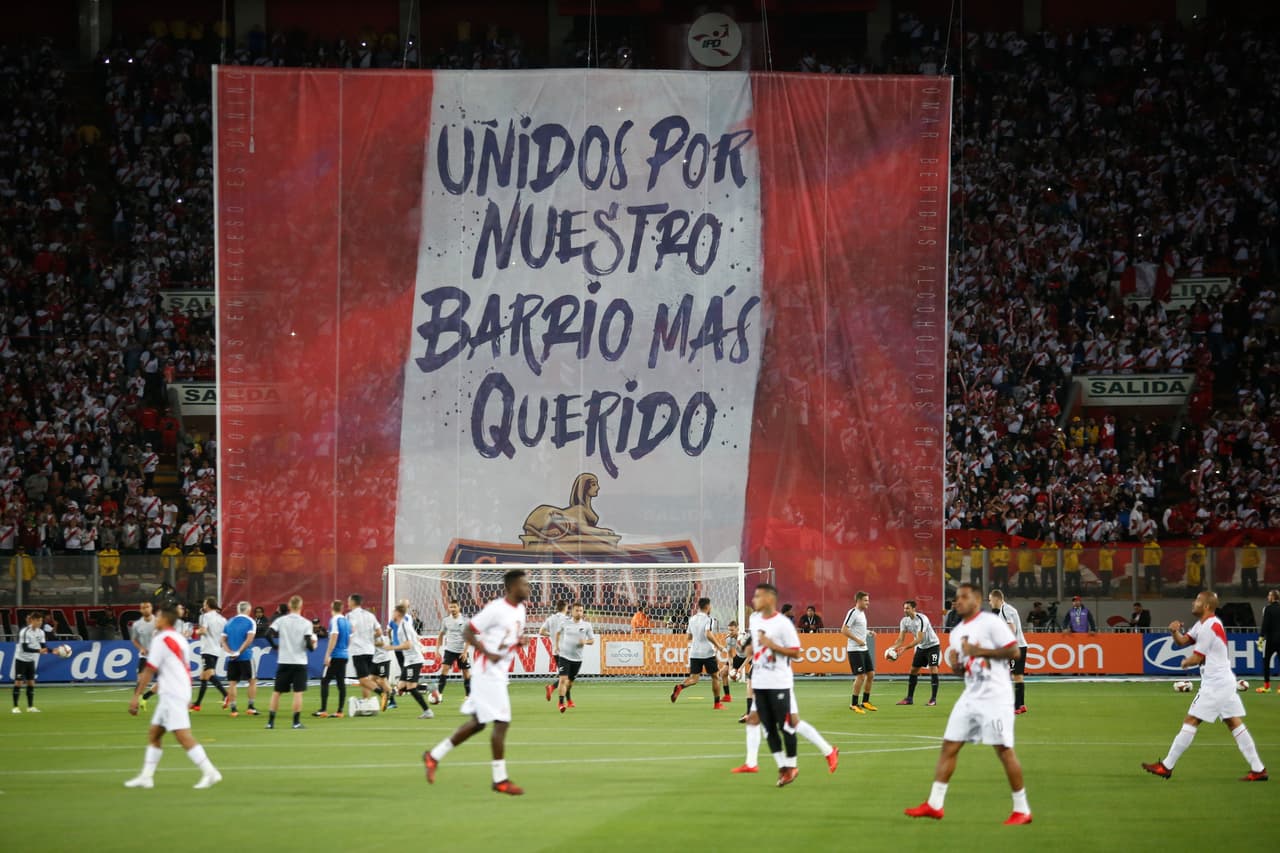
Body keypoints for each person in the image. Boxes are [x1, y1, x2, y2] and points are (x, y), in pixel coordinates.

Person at [905, 582, 1031, 824]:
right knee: (948, 747)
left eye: (963, 597)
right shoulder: (957, 632)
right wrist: (958, 667)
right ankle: (935, 804)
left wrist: (979, 650)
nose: (958, 602)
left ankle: (1022, 809)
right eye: (956, 598)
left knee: (1004, 751)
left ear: (977, 600)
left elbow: (1014, 651)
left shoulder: (992, 623)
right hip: (971, 695)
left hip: (995, 696)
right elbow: (967, 669)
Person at [422, 569, 532, 796]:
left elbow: (506, 638)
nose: (528, 588)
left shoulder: (520, 610)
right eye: (524, 585)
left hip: (498, 673)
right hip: (487, 673)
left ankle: (433, 756)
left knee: (479, 723)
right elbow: (468, 631)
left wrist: (518, 642)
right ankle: (499, 779)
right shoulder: (496, 609)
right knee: (502, 722)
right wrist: (487, 652)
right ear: (512, 588)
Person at [1142, 591, 1268, 782]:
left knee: (1191, 720)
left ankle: (1166, 766)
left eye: (1198, 601)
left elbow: (1198, 657)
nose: (1194, 603)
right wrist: (1174, 631)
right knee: (1234, 723)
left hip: (1216, 683)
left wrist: (1185, 662)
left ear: (1207, 606)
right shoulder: (1202, 625)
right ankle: (1259, 769)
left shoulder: (1210, 626)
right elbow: (1183, 641)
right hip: (1221, 681)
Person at [125, 604, 222, 789]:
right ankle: (146, 776)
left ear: (166, 620)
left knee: (183, 736)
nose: (156, 619)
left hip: (173, 693)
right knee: (155, 734)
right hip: (177, 690)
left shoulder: (162, 639)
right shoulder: (179, 638)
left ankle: (210, 772)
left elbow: (149, 670)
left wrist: (136, 696)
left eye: (158, 616)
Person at [740, 583, 804, 786]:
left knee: (786, 725)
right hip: (759, 682)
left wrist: (772, 645)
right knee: (767, 728)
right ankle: (783, 768)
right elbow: (755, 645)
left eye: (757, 597)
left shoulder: (783, 624)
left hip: (779, 682)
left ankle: (792, 765)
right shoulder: (755, 619)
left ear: (769, 599)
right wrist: (750, 648)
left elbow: (795, 652)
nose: (753, 600)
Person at [265, 595, 316, 730]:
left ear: (289, 606)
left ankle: (270, 722)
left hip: (284, 660)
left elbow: (267, 633)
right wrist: (312, 647)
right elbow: (307, 642)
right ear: (301, 606)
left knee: (277, 692)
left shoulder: (281, 620)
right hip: (299, 661)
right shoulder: (306, 623)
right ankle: (296, 722)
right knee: (298, 692)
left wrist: (275, 646)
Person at [670, 597, 725, 709]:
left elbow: (689, 636)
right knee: (715, 676)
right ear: (707, 606)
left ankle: (681, 686)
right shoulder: (709, 619)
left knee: (694, 679)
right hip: (708, 652)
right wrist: (718, 645)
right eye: (710, 605)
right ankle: (717, 703)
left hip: (694, 652)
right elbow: (708, 634)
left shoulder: (692, 619)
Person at [890, 600, 942, 706]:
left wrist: (904, 649)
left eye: (907, 608)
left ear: (914, 609)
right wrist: (891, 649)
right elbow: (900, 639)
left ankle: (933, 699)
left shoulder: (922, 619)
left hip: (932, 645)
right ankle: (909, 698)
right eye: (904, 608)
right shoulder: (904, 621)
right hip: (921, 647)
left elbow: (919, 639)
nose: (905, 610)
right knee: (913, 670)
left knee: (933, 669)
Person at [390, 604, 433, 718]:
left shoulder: (403, 626)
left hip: (413, 660)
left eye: (393, 612)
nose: (392, 615)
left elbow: (408, 645)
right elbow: (415, 638)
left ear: (398, 613)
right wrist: (420, 646)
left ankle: (427, 711)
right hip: (409, 661)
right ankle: (428, 688)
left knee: (411, 687)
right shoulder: (404, 625)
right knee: (401, 686)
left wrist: (392, 647)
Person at [990, 589, 1028, 714]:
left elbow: (1012, 629)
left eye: (990, 600)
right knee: (1018, 676)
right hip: (1020, 646)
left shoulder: (1005, 610)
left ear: (996, 599)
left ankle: (1014, 705)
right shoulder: (1007, 609)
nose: (990, 603)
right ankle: (1020, 705)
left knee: (1008, 674)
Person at [553, 602, 594, 712]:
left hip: (577, 659)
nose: (579, 612)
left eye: (581, 610)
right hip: (564, 656)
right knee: (562, 679)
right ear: (572, 611)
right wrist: (556, 646)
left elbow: (592, 641)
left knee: (569, 683)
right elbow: (557, 633)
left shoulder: (587, 625)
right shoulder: (565, 623)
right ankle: (561, 704)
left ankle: (569, 699)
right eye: (577, 610)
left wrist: (585, 641)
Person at [345, 593, 385, 703]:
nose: (347, 603)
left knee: (362, 679)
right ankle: (366, 701)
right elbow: (379, 632)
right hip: (370, 650)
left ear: (353, 602)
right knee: (366, 678)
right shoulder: (369, 615)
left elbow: (348, 631)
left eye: (348, 601)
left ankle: (382, 693)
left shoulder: (349, 616)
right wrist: (369, 637)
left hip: (358, 651)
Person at [841, 591, 877, 714]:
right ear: (859, 601)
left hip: (863, 648)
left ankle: (865, 701)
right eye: (866, 600)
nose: (868, 602)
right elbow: (844, 630)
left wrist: (868, 632)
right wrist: (857, 640)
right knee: (861, 676)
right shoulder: (853, 613)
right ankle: (854, 704)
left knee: (871, 674)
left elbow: (858, 628)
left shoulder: (862, 614)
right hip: (855, 649)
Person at [222, 601, 259, 716]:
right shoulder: (250, 622)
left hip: (232, 657)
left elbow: (223, 640)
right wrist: (239, 652)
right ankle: (250, 707)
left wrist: (230, 652)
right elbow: (249, 639)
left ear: (238, 610)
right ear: (248, 610)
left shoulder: (229, 622)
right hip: (246, 656)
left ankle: (233, 710)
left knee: (232, 682)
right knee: (252, 681)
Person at [192, 598, 228, 711]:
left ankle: (226, 694)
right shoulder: (222, 619)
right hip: (217, 649)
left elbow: (202, 630)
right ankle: (197, 704)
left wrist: (194, 632)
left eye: (204, 603)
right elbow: (225, 634)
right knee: (204, 676)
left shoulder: (206, 616)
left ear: (207, 605)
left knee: (209, 675)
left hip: (207, 649)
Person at [316, 599, 350, 717]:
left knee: (325, 681)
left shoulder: (334, 620)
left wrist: (328, 654)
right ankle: (340, 711)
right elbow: (350, 638)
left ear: (332, 608)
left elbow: (334, 636)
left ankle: (323, 710)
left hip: (335, 655)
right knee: (341, 683)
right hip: (344, 655)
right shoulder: (346, 620)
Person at [436, 599, 471, 702]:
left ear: (458, 607)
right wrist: (437, 650)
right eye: (451, 607)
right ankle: (439, 694)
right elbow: (441, 635)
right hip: (449, 649)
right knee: (444, 669)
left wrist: (465, 652)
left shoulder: (465, 620)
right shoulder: (446, 620)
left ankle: (468, 696)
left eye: (454, 607)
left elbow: (469, 637)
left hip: (461, 650)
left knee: (466, 672)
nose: (452, 609)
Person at [13, 612, 48, 713]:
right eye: (38, 620)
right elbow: (24, 648)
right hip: (21, 659)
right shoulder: (25, 632)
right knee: (18, 683)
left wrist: (55, 651)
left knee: (31, 683)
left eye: (41, 620)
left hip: (31, 661)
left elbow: (43, 646)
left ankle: (30, 707)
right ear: (32, 620)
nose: (40, 623)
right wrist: (39, 651)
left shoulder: (41, 632)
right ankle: (15, 707)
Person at [130, 601, 158, 711]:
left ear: (151, 608)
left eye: (148, 607)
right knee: (141, 680)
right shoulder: (137, 625)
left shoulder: (158, 622)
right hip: (145, 657)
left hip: (158, 657)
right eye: (143, 607)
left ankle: (146, 697)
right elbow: (134, 639)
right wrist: (141, 648)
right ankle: (137, 700)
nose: (146, 609)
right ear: (140, 610)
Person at [540, 600, 570, 703]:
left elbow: (541, 632)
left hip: (555, 652)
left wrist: (551, 635)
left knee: (565, 676)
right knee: (567, 677)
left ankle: (568, 700)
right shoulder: (567, 619)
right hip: (566, 651)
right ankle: (552, 688)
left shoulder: (550, 618)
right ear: (565, 607)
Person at [1258, 589, 1280, 693]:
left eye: (1269, 595)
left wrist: (1261, 638)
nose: (1268, 597)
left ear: (1273, 597)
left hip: (1271, 640)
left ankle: (1267, 687)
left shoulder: (1268, 609)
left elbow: (1265, 624)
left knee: (1266, 662)